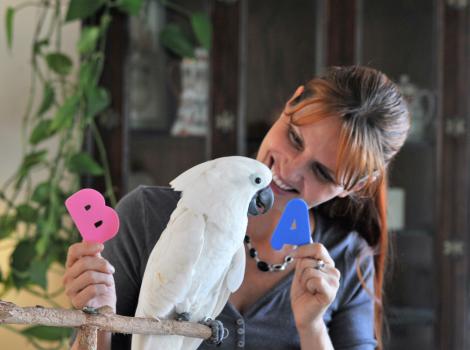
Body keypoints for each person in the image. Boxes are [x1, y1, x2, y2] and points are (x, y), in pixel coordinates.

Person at [63, 65, 409, 350]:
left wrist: (312, 327)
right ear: (292, 102)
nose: (287, 169)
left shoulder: (348, 260)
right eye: (294, 137)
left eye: (320, 171)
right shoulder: (146, 215)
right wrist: (97, 321)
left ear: (356, 186)